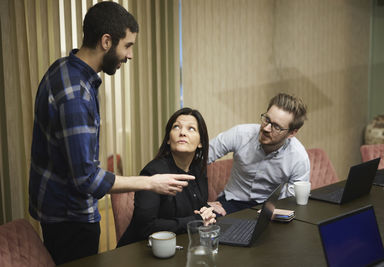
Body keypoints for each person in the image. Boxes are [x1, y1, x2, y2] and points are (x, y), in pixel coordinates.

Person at [28, 2, 193, 265]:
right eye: (127, 46)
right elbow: (87, 180)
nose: (130, 55)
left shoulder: (62, 69)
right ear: (106, 41)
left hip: (54, 210)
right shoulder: (76, 96)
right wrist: (150, 182)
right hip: (71, 220)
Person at [118, 107, 222, 247]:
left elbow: (197, 207)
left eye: (191, 129)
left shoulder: (198, 169)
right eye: (176, 127)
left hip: (179, 246)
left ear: (201, 143)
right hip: (140, 251)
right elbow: (146, 228)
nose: (183, 133)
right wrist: (196, 221)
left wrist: (207, 211)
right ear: (168, 139)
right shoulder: (154, 172)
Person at [208, 93, 310, 214]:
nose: (266, 128)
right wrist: (200, 201)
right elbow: (201, 157)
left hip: (270, 207)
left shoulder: (298, 157)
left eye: (276, 127)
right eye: (266, 119)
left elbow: (293, 199)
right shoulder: (241, 134)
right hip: (231, 202)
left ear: (292, 133)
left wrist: (275, 212)